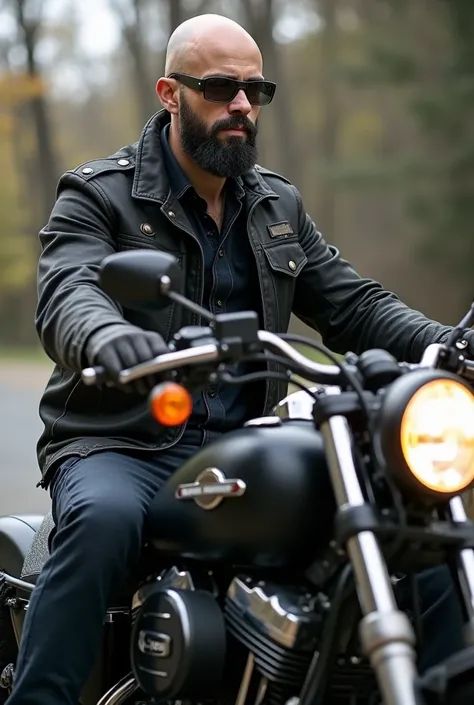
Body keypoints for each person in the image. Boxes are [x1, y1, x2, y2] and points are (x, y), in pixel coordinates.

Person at [7, 12, 470, 705]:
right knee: (102, 521)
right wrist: (105, 337)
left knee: (410, 517)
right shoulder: (99, 194)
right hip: (122, 442)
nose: (242, 106)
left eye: (256, 90)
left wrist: (451, 345)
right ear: (170, 92)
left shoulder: (273, 202)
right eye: (221, 88)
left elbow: (354, 305)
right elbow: (69, 293)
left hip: (240, 443)